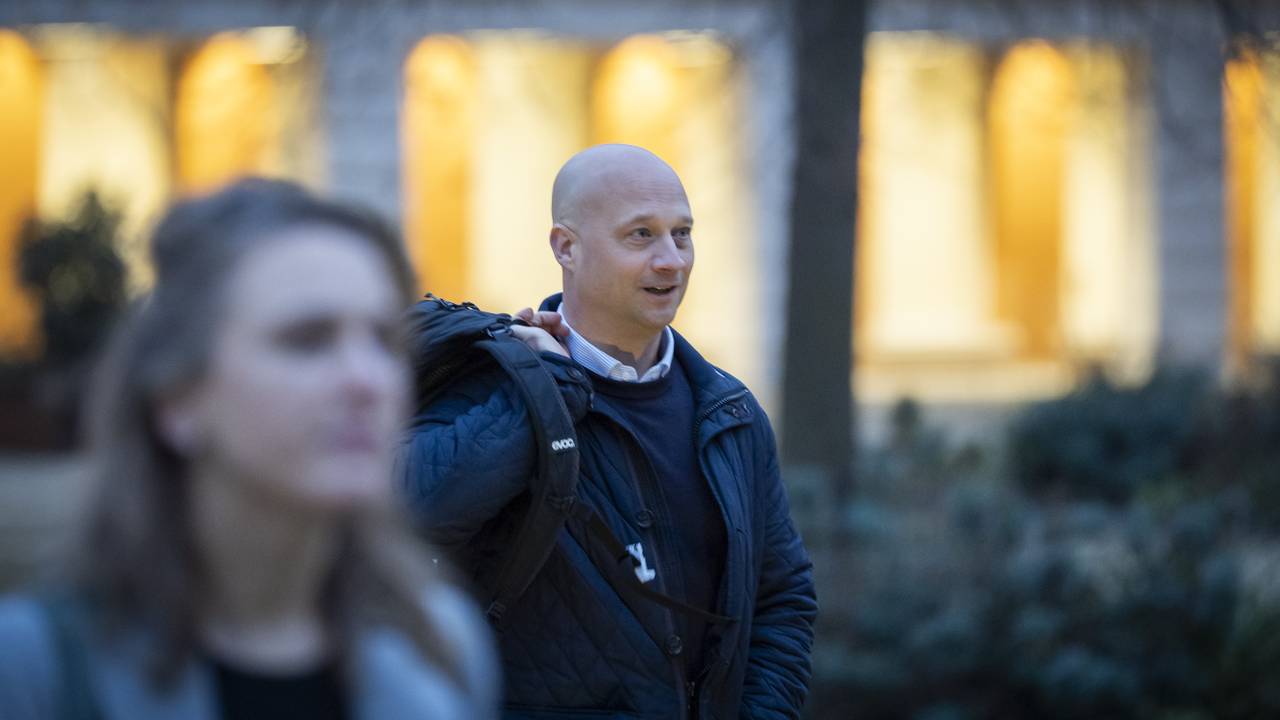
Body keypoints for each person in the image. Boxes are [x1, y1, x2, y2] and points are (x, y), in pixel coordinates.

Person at [0, 179, 498, 719]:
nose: (366, 380)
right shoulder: (35, 668)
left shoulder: (443, 646)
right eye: (306, 339)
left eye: (383, 340)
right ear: (177, 398)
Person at [399, 144, 817, 719]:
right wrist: (545, 386)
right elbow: (408, 516)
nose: (672, 261)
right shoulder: (495, 388)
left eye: (682, 234)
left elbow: (781, 598)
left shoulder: (731, 413)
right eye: (641, 236)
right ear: (565, 247)